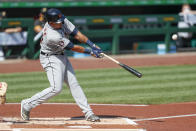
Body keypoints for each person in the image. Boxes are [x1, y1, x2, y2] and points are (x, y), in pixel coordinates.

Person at [21, 8, 103, 122]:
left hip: (61, 55)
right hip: (50, 57)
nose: (61, 23)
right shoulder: (52, 35)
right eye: (58, 22)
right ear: (50, 22)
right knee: (56, 88)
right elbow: (73, 47)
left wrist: (92, 45)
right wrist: (90, 52)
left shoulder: (61, 20)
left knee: (74, 84)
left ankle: (88, 113)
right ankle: (27, 104)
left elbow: (77, 34)